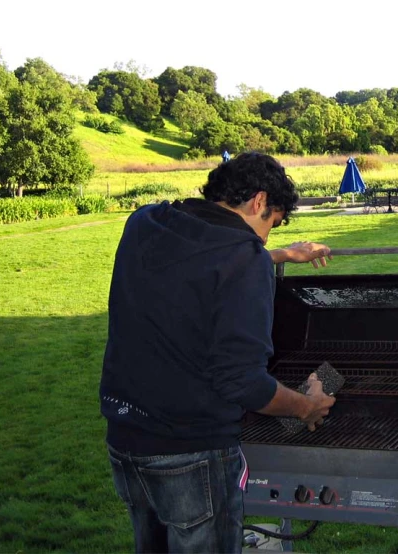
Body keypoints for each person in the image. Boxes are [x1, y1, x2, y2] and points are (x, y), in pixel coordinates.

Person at [99, 152, 335, 554]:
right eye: (270, 227)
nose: (264, 239)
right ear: (259, 202)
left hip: (126, 441)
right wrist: (305, 407)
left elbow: (191, 267)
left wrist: (274, 256)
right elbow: (242, 381)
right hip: (190, 452)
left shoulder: (145, 222)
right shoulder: (244, 257)